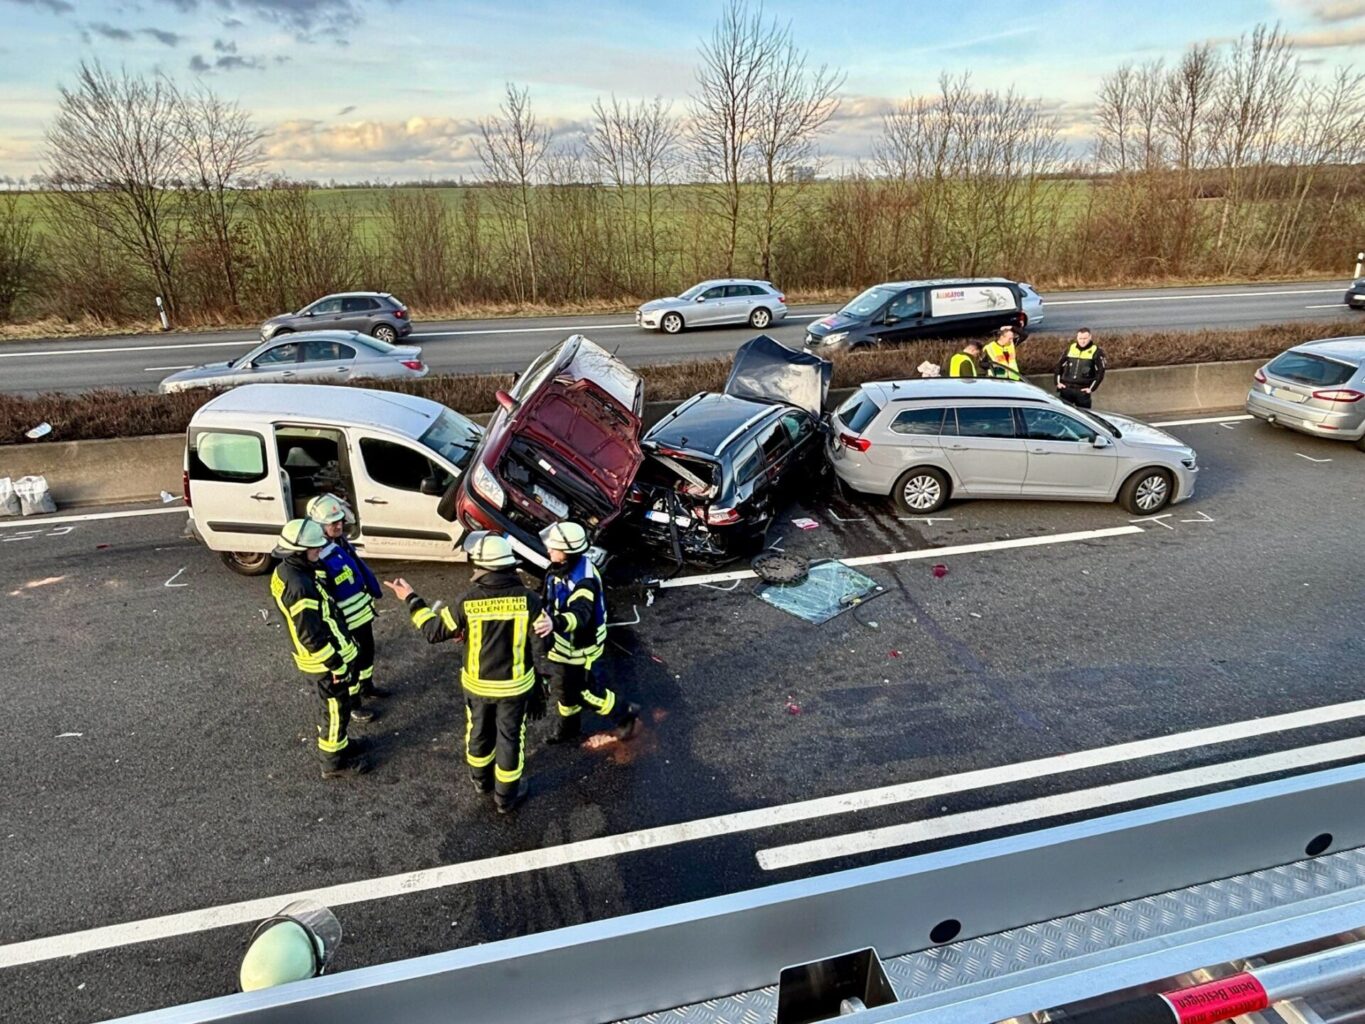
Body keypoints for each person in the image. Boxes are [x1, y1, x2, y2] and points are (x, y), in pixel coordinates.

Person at [384, 534, 552, 814]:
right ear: (509, 566)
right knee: (510, 739)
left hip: (477, 687)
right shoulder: (529, 599)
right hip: (514, 688)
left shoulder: (467, 601)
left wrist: (411, 598)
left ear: (484, 567)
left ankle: (481, 782)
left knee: (479, 734)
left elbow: (433, 632)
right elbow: (543, 641)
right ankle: (505, 798)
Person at [269, 519, 366, 779]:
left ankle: (341, 745)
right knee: (334, 709)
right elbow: (311, 636)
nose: (318, 552)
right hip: (324, 662)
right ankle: (333, 763)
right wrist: (336, 664)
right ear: (298, 551)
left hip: (321, 659)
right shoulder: (300, 587)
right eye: (314, 549)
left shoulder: (286, 571)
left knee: (337, 707)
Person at [539, 521, 639, 745]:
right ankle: (568, 729)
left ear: (567, 552)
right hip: (564, 646)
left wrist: (553, 623)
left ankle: (625, 714)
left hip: (580, 649)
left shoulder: (583, 581)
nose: (548, 550)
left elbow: (580, 615)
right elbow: (549, 598)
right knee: (565, 691)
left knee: (585, 692)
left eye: (553, 547)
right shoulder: (560, 568)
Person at [307, 494, 382, 723]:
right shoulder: (318, 556)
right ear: (319, 526)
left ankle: (366, 686)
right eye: (333, 522)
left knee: (367, 651)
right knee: (352, 662)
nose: (339, 525)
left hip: (361, 614)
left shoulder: (339, 543)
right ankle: (353, 703)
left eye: (340, 520)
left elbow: (357, 569)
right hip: (346, 622)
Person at [1056, 327, 1107, 409]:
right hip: (1066, 388)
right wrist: (1057, 383)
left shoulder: (1096, 351)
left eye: (1085, 338)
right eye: (1080, 338)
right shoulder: (1071, 348)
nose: (1082, 341)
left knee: (1085, 415)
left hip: (1082, 390)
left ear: (1090, 337)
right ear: (1077, 338)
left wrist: (1091, 389)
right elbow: (1059, 366)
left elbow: (1101, 372)